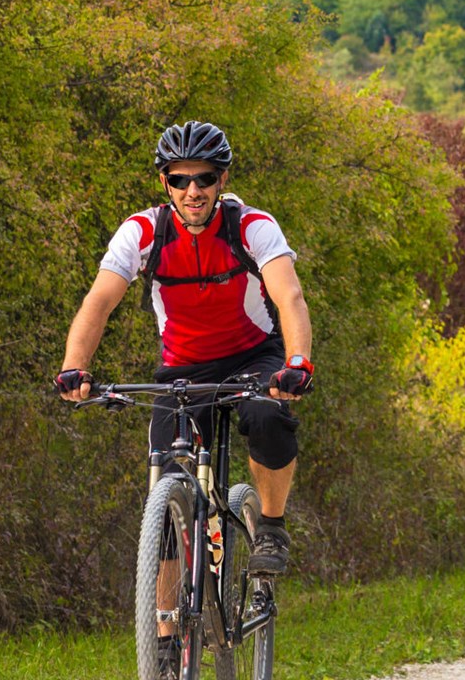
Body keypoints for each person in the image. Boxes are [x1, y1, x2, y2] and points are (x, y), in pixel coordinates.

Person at [55, 120, 313, 581]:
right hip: (183, 370)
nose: (193, 190)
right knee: (167, 489)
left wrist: (296, 363)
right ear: (165, 183)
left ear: (222, 180)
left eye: (204, 178)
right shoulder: (143, 232)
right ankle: (164, 625)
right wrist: (75, 367)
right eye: (180, 179)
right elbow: (99, 301)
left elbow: (288, 296)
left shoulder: (252, 226)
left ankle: (272, 528)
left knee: (267, 417)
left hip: (253, 355)